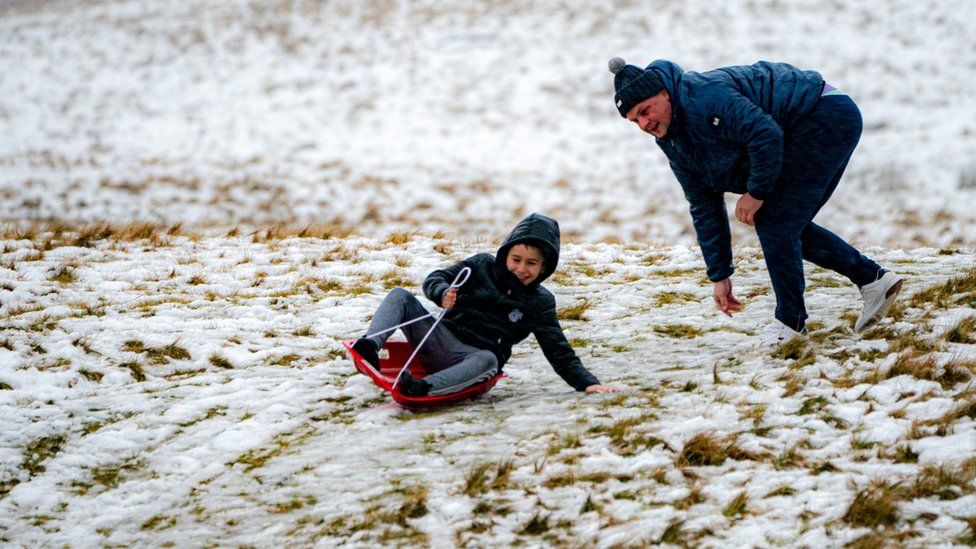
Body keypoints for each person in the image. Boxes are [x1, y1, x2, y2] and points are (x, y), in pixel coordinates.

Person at [608, 57, 903, 345]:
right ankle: (872, 281)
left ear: (664, 93)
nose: (645, 123)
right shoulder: (674, 142)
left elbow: (765, 135)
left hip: (823, 112)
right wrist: (720, 274)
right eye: (635, 120)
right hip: (811, 121)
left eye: (646, 111)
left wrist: (757, 193)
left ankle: (791, 323)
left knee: (777, 222)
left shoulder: (703, 98)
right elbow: (703, 204)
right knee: (782, 222)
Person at [352, 213, 617, 396]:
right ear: (506, 255)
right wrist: (442, 292)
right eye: (516, 259)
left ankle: (423, 387)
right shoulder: (481, 266)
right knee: (400, 296)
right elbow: (436, 278)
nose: (521, 269)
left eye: (531, 263)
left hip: (473, 361)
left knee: (489, 359)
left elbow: (558, 349)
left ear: (544, 267)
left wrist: (587, 384)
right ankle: (369, 347)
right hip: (437, 341)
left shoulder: (539, 302)